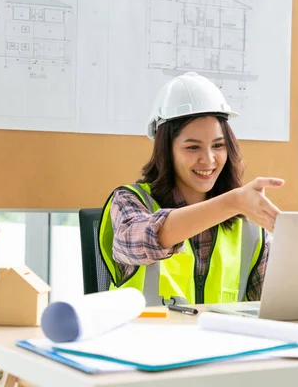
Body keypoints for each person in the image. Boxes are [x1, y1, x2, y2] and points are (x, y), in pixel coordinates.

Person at [98, 72, 284, 307]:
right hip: (147, 341)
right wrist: (232, 202)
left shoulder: (248, 226)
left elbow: (276, 302)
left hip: (224, 342)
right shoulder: (130, 201)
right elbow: (140, 242)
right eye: (193, 147)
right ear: (167, 151)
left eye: (218, 146)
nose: (208, 160)